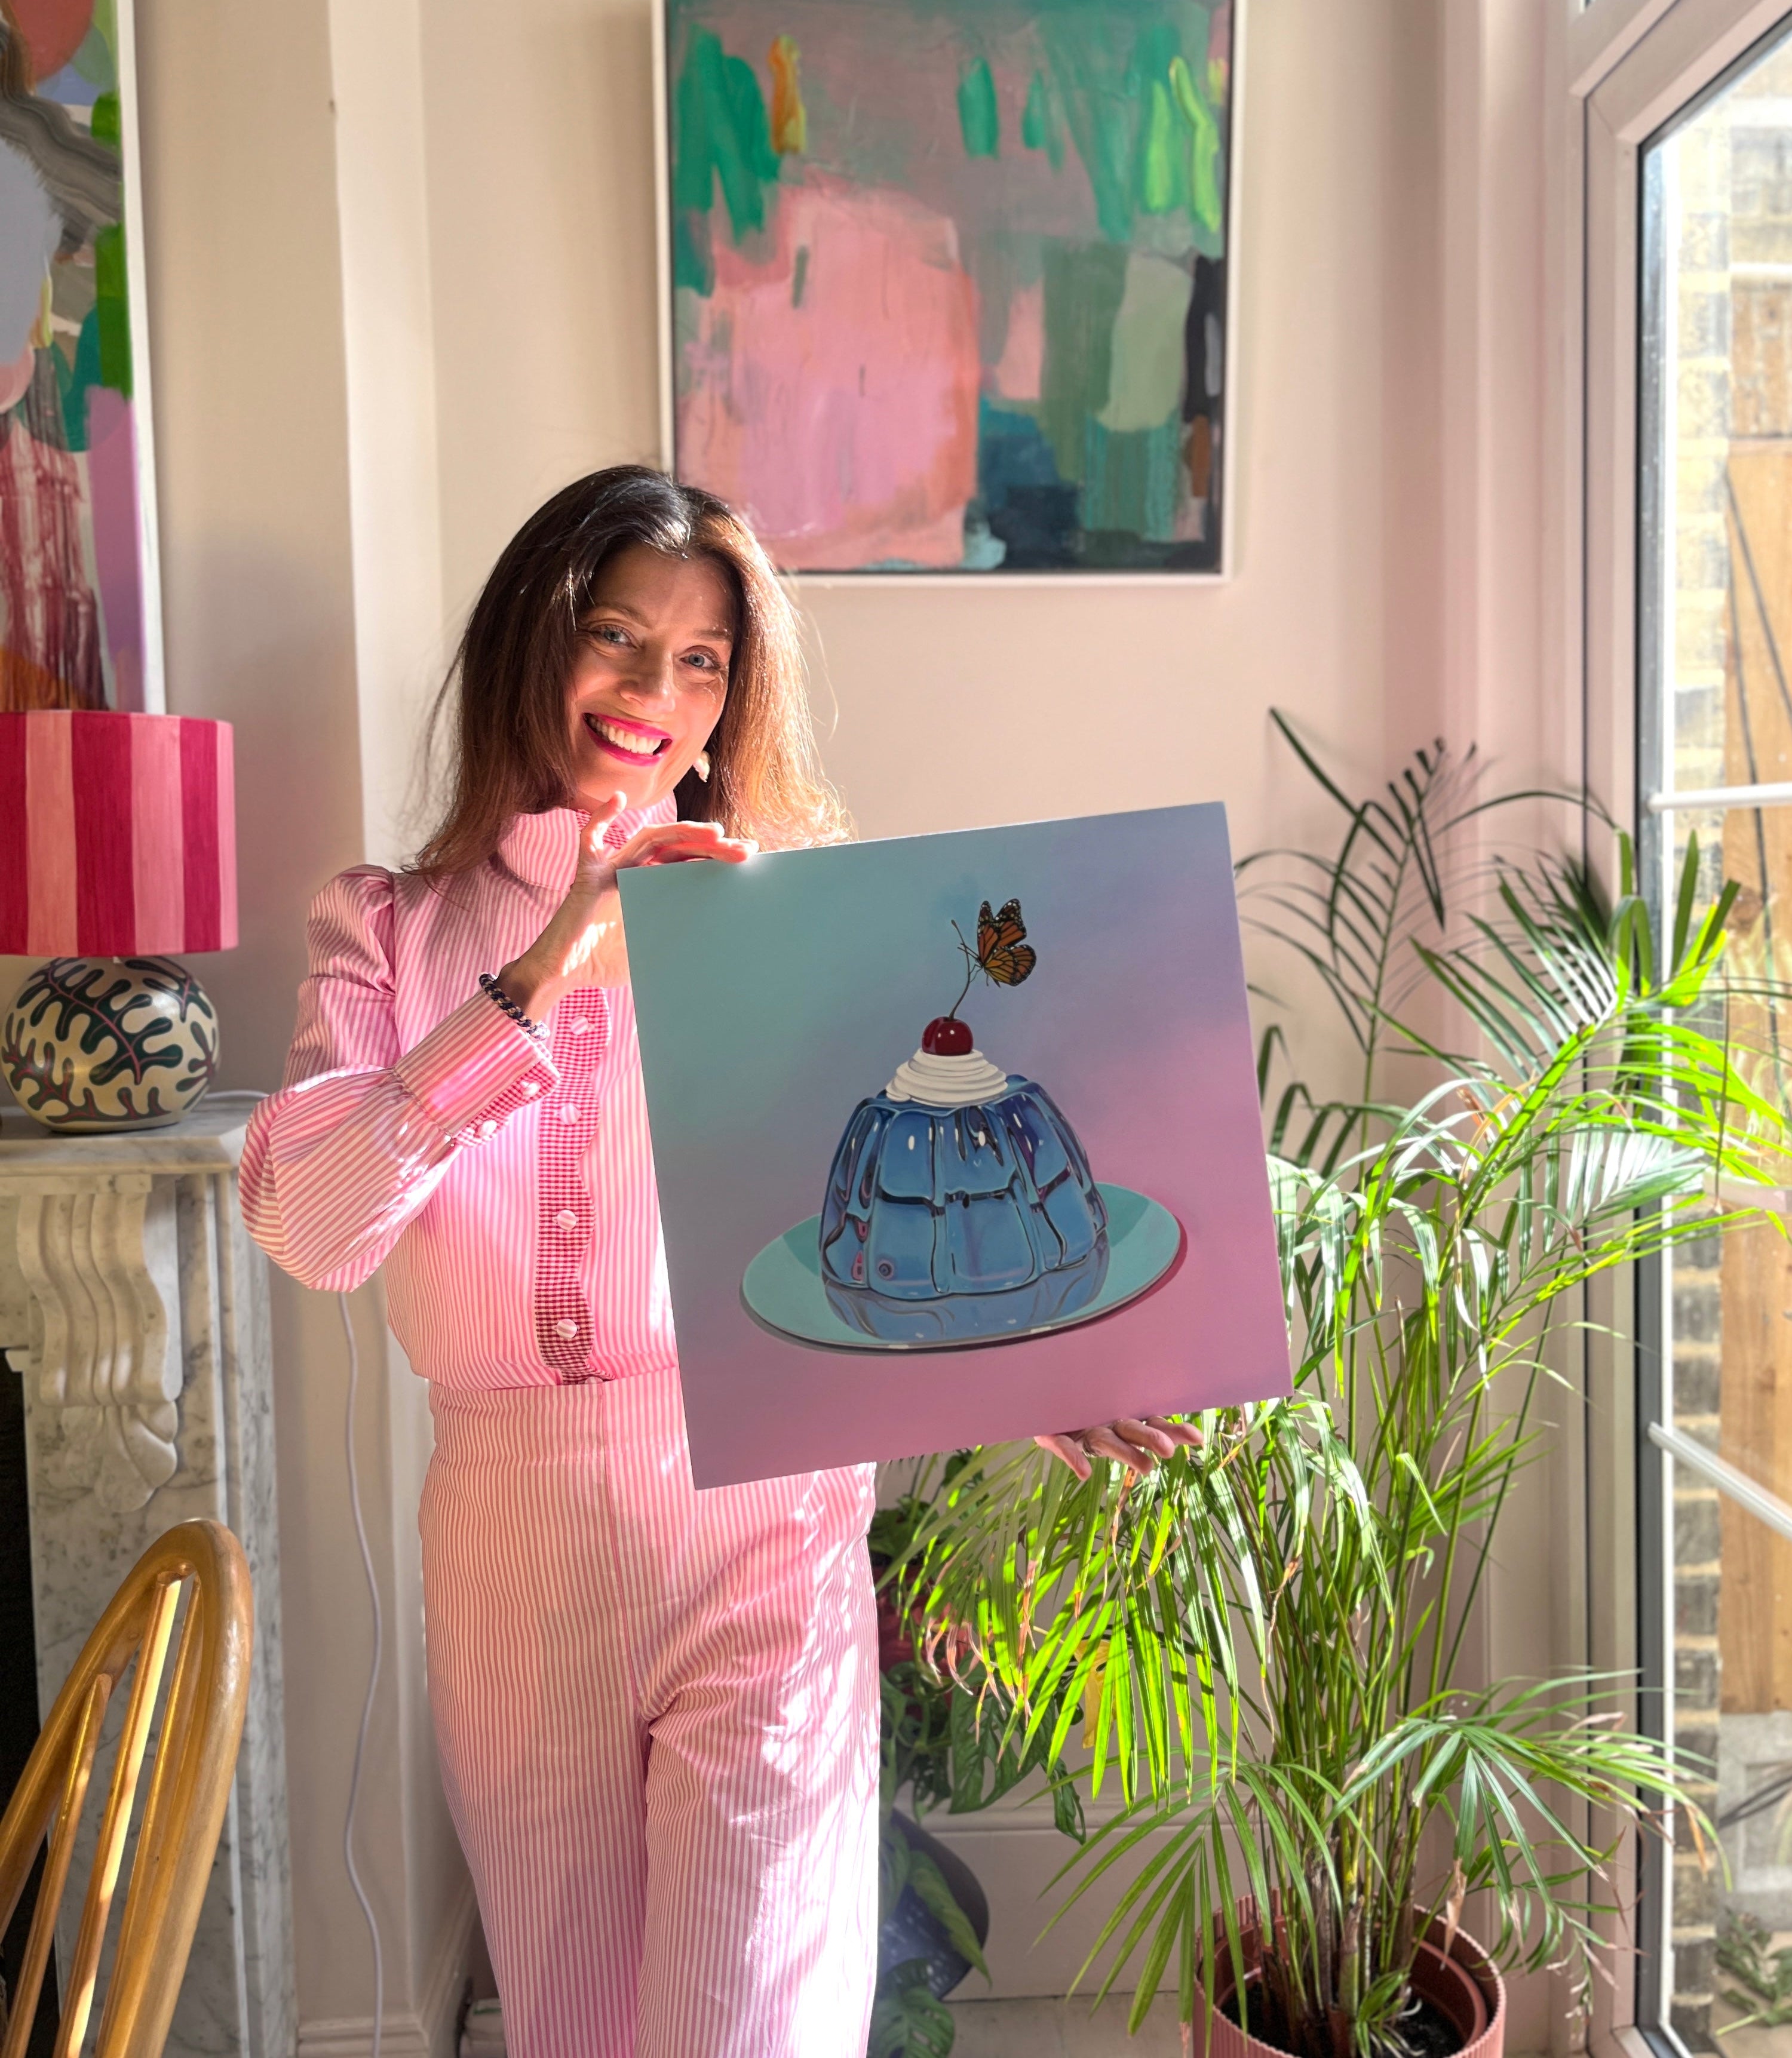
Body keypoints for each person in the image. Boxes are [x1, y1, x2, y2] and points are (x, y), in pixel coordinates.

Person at [241, 466, 1198, 2058]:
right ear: (529, 645)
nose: (655, 693)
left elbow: (879, 1243)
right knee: (575, 2021)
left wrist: (1050, 1375)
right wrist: (553, 965)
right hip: (512, 1547)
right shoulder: (385, 931)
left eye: (702, 661)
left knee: (749, 2023)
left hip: (760, 1529)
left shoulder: (790, 928)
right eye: (618, 637)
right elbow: (314, 1229)